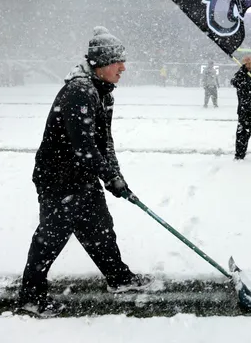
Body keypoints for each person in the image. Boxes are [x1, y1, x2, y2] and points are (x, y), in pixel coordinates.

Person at [18, 26, 151, 316]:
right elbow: (85, 147)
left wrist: (116, 175)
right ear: (102, 64)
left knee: (100, 228)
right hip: (57, 177)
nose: (123, 68)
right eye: (118, 62)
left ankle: (118, 278)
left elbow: (105, 142)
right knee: (52, 237)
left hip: (82, 174)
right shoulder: (79, 92)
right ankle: (30, 296)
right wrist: (110, 178)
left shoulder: (103, 92)